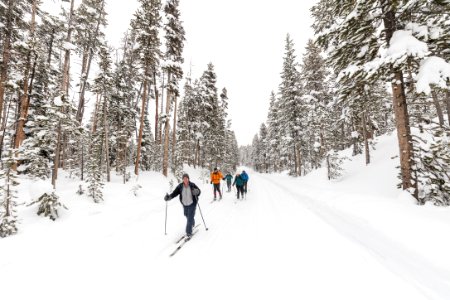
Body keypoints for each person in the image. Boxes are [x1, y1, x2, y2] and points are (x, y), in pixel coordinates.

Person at [164, 173, 201, 237]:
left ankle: (188, 232)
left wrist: (196, 191)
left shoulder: (192, 185)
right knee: (186, 215)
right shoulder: (180, 186)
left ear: (188, 179)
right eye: (184, 178)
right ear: (182, 179)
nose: (185, 180)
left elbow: (199, 191)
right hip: (185, 204)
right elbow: (174, 193)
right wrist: (169, 197)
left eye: (186, 178)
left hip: (192, 203)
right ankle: (192, 222)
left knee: (189, 218)